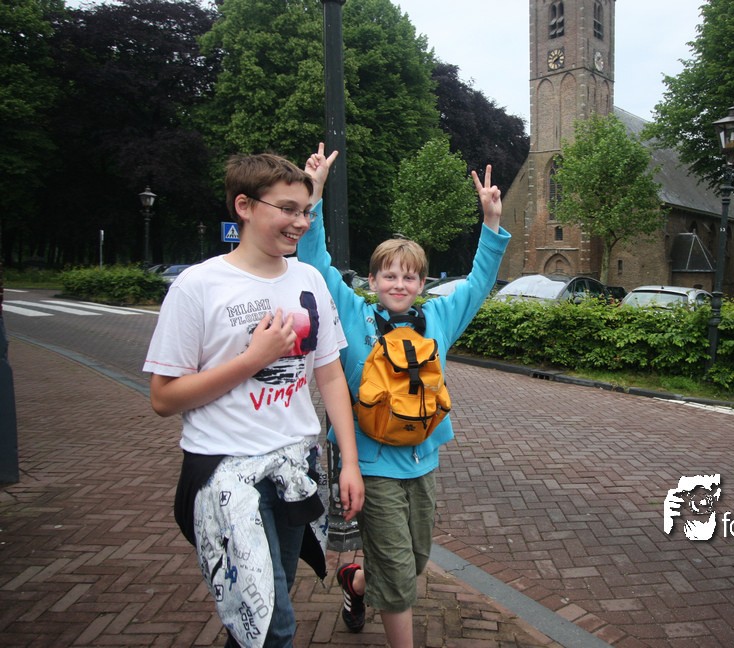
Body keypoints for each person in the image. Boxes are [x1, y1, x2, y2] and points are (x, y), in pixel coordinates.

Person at [143, 152, 364, 648]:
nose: (300, 222)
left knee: (258, 620)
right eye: (287, 209)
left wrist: (348, 463)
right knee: (272, 627)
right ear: (244, 206)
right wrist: (252, 359)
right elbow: (163, 397)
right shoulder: (198, 286)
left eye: (306, 211)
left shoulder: (308, 280)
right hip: (225, 473)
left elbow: (330, 376)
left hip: (295, 466)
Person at [298, 143, 510, 647]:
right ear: (372, 280)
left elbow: (480, 282)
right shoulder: (353, 314)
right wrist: (315, 194)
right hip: (372, 466)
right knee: (399, 580)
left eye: (408, 276)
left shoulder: (438, 318)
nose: (399, 283)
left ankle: (354, 582)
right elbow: (315, 262)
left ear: (421, 283)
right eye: (389, 275)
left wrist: (490, 221)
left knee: (412, 561)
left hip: (422, 460)